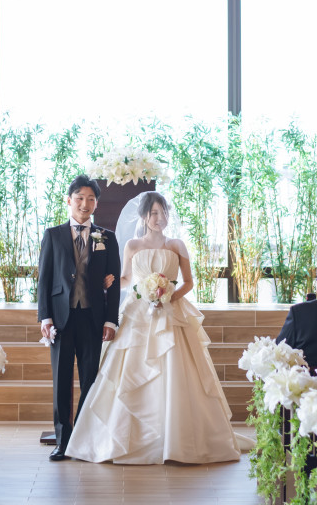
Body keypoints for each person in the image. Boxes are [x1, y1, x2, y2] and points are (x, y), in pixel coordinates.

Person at [65, 191, 249, 465]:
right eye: (153, 213)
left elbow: (188, 282)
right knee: (130, 372)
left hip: (171, 313)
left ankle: (176, 440)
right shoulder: (132, 245)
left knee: (176, 370)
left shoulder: (177, 245)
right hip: (138, 314)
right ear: (143, 217)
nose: (158, 218)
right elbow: (126, 279)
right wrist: (110, 283)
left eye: (162, 213)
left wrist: (166, 296)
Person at [37, 175, 121, 461]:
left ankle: (84, 439)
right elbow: (44, 281)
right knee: (61, 382)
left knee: (90, 380)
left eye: (91, 199)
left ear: (96, 203)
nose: (85, 204)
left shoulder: (106, 237)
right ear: (69, 200)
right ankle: (63, 441)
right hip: (61, 319)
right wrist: (44, 317)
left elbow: (115, 282)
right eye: (80, 198)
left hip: (92, 318)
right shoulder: (53, 235)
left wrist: (111, 321)